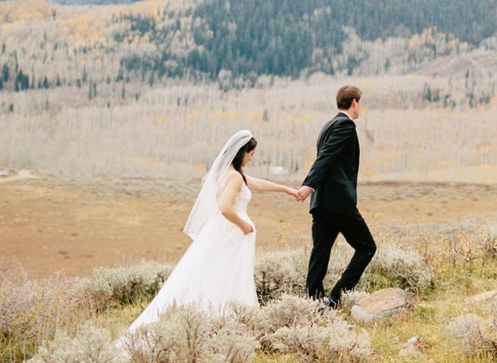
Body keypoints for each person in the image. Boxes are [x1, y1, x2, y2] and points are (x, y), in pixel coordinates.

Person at [126, 129, 300, 333]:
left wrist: (288, 190)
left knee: (212, 271)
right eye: (251, 154)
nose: (252, 159)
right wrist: (243, 225)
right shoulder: (234, 177)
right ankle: (225, 317)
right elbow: (225, 207)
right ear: (241, 152)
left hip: (222, 231)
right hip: (233, 234)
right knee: (227, 274)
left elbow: (258, 183)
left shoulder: (226, 174)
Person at [294, 85, 377, 308]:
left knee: (320, 252)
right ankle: (335, 298)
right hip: (338, 202)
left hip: (321, 202)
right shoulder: (346, 125)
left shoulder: (328, 125)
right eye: (360, 103)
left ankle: (313, 302)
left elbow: (326, 157)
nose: (360, 107)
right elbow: (327, 157)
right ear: (354, 103)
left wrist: (313, 189)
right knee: (367, 247)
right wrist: (308, 185)